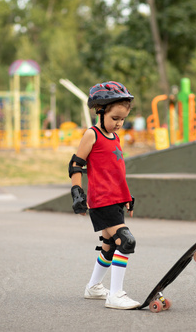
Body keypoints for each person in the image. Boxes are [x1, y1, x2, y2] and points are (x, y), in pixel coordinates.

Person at [69, 81, 140, 310]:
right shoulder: (92, 135)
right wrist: (77, 192)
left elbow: (116, 172)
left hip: (115, 199)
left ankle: (94, 287)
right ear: (100, 111)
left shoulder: (115, 137)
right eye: (115, 118)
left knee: (109, 245)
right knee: (125, 241)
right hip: (101, 201)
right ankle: (116, 294)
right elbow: (76, 164)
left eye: (122, 119)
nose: (119, 123)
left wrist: (126, 196)